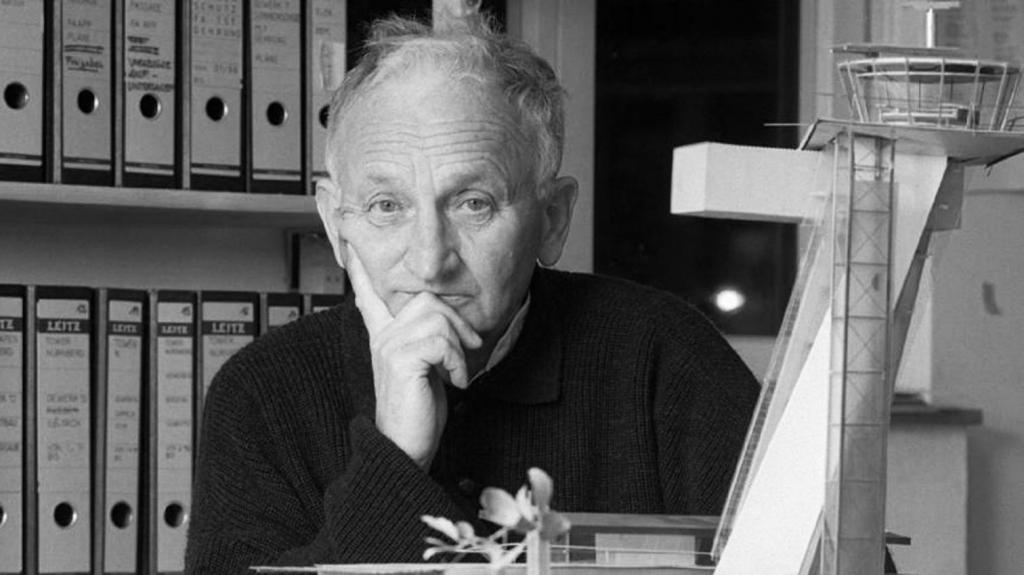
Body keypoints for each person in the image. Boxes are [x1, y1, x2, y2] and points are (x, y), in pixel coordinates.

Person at [185, 15, 759, 574]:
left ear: (553, 219)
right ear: (337, 225)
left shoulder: (668, 361)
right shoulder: (261, 392)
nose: (430, 260)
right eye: (387, 206)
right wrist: (394, 457)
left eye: (473, 204)